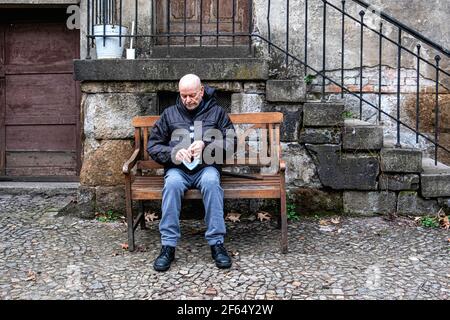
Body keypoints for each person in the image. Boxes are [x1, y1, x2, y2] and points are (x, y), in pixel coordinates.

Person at [147, 74, 235, 272]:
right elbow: (153, 145)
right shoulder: (169, 114)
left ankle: (217, 244)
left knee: (212, 182)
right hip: (178, 169)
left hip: (207, 168)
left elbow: (231, 141)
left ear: (201, 91)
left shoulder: (217, 112)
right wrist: (173, 152)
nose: (188, 100)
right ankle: (168, 246)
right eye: (183, 95)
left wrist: (207, 145)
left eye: (192, 95)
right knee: (171, 185)